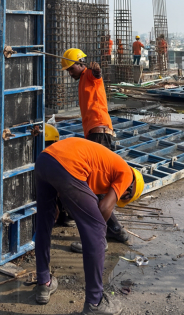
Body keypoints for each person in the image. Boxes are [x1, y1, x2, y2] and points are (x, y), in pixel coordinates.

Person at [35, 130, 144, 314]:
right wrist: (96, 240)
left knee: (44, 223)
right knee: (97, 227)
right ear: (130, 189)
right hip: (68, 165)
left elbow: (69, 185)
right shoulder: (126, 173)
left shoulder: (106, 165)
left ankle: (44, 282)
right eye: (125, 196)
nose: (120, 195)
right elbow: (104, 208)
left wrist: (57, 202)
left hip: (45, 160)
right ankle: (95, 302)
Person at [61, 48, 129, 248]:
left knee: (96, 187)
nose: (69, 72)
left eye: (70, 68)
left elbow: (97, 74)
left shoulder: (90, 76)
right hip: (95, 133)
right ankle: (115, 230)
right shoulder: (82, 80)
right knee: (96, 187)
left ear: (81, 64)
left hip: (99, 132)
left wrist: (96, 69)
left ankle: (97, 237)